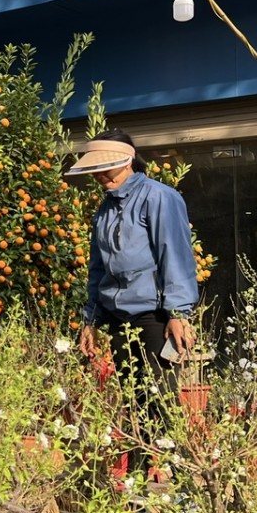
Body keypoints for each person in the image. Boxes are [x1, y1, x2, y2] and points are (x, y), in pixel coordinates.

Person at [69, 129, 198, 469]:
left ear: (127, 160)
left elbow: (175, 254)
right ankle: (137, 484)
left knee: (161, 398)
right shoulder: (104, 209)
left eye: (105, 168)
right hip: (115, 315)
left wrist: (177, 312)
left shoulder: (159, 197)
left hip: (154, 315)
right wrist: (91, 320)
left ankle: (185, 487)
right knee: (134, 399)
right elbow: (98, 269)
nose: (99, 175)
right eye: (95, 170)